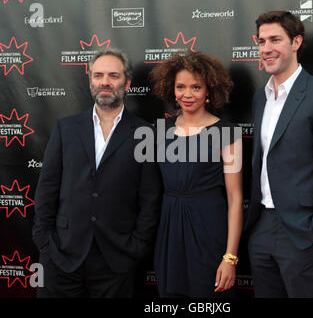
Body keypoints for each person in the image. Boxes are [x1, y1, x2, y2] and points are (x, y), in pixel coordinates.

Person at [32, 49, 162, 298]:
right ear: (90, 80)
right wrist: (45, 243)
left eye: (113, 75)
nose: (105, 82)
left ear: (127, 82)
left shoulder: (144, 133)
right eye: (98, 75)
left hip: (116, 261)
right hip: (62, 257)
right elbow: (46, 188)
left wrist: (137, 247)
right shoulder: (65, 128)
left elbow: (150, 198)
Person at [245, 11, 313, 298]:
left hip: (302, 231)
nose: (266, 48)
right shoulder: (260, 97)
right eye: (262, 41)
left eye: (275, 39)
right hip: (261, 226)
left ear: (296, 42)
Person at [149, 51, 243, 297]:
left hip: (209, 227)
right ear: (172, 89)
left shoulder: (227, 134)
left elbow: (235, 199)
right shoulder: (158, 131)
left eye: (196, 87)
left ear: (209, 90)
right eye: (181, 86)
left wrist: (230, 257)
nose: (187, 94)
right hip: (168, 231)